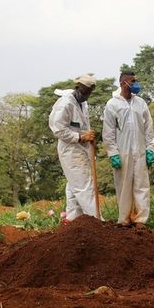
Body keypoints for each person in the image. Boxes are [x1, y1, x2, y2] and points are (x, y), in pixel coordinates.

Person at [102, 71, 154, 229]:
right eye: (132, 81)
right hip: (122, 152)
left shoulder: (141, 104)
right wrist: (113, 154)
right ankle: (124, 219)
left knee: (142, 185)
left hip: (140, 151)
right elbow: (108, 132)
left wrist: (150, 149)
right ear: (123, 83)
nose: (136, 85)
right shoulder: (112, 104)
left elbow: (148, 128)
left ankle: (140, 220)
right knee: (124, 185)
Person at [48, 74, 100, 221]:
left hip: (82, 149)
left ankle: (73, 220)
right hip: (70, 150)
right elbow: (57, 129)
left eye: (89, 93)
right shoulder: (65, 104)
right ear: (77, 87)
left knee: (73, 187)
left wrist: (88, 139)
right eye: (85, 92)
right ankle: (96, 221)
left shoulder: (83, 103)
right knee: (84, 186)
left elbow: (83, 126)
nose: (87, 96)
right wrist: (80, 137)